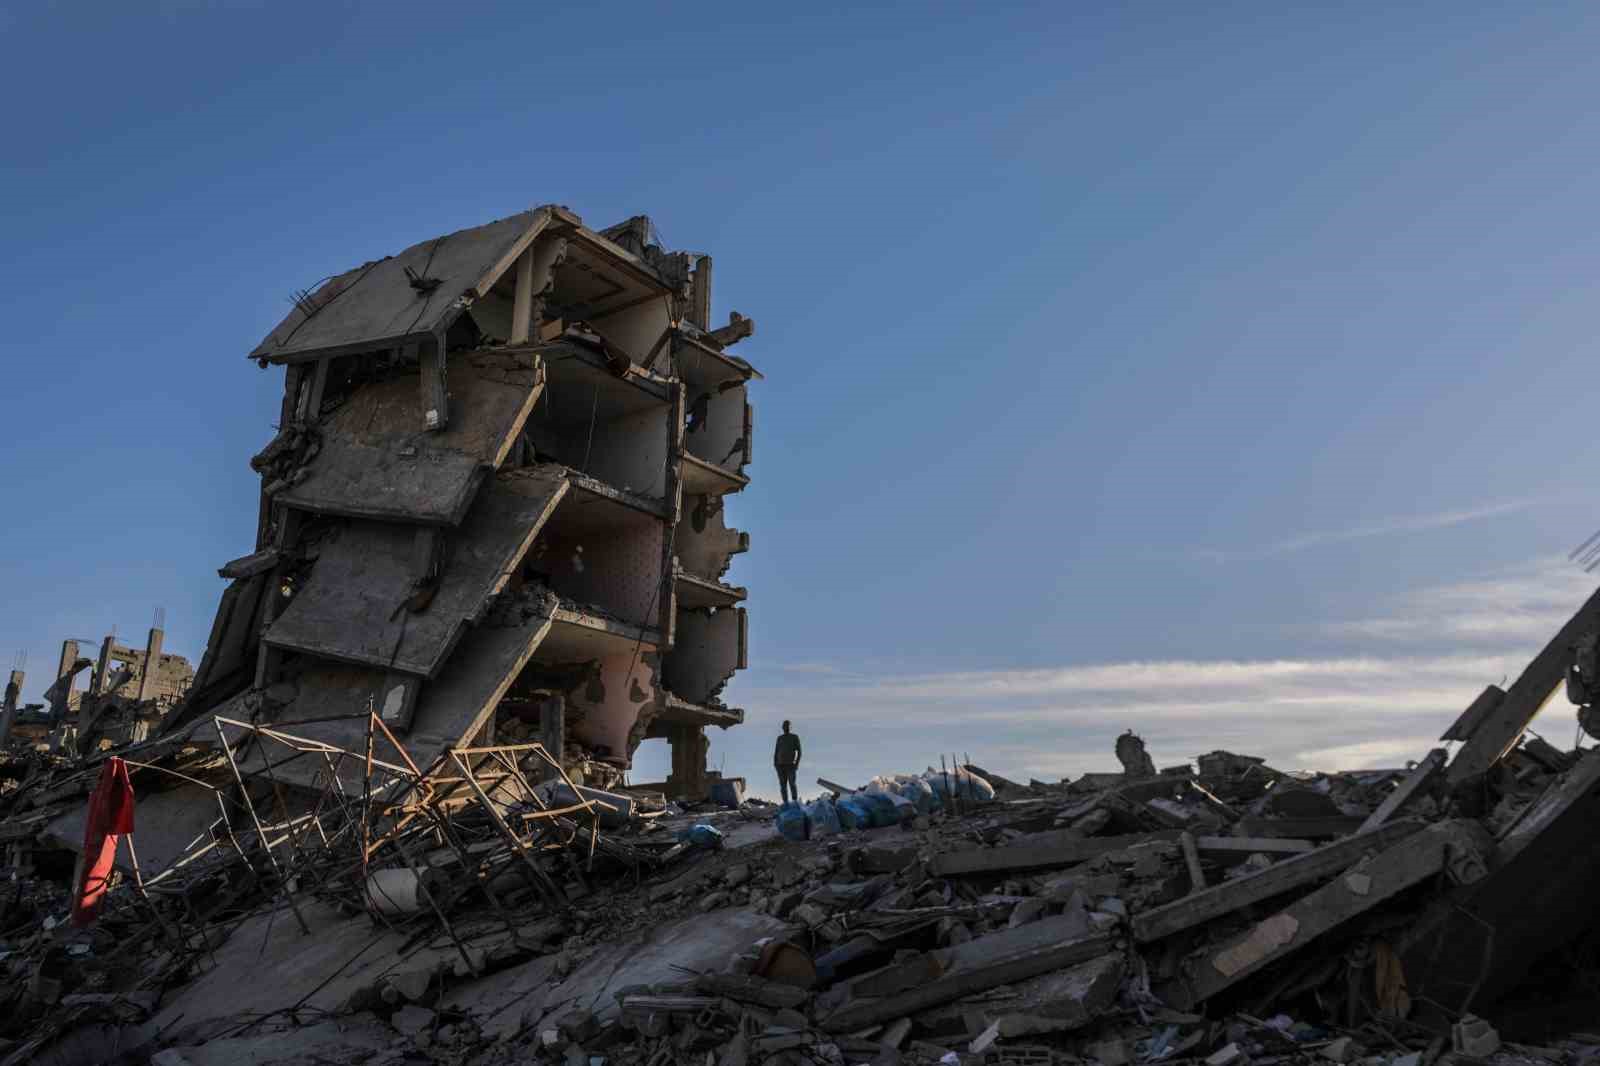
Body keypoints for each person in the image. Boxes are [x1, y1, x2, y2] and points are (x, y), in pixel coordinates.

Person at [774, 720, 802, 805]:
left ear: (790, 727)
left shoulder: (794, 737)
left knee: (792, 784)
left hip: (791, 765)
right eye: (784, 726)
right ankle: (785, 802)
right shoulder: (780, 738)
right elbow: (776, 752)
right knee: (783, 786)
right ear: (782, 727)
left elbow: (799, 751)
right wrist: (775, 764)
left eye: (787, 726)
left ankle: (795, 802)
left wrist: (797, 763)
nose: (786, 727)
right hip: (780, 765)